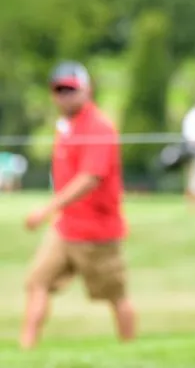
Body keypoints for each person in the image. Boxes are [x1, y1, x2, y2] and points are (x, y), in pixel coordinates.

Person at [20, 61, 136, 349]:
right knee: (37, 282)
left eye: (71, 89)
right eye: (59, 90)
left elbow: (89, 179)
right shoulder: (66, 127)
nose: (65, 96)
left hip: (97, 233)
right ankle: (26, 351)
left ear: (87, 89)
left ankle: (130, 352)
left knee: (115, 295)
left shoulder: (98, 126)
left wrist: (46, 210)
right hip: (64, 228)